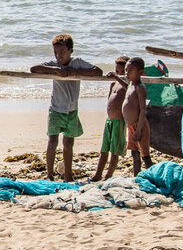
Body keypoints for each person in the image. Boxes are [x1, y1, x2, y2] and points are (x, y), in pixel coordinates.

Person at [30, 33, 102, 182]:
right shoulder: (53, 64)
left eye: (62, 52)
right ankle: (49, 174)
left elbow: (98, 72)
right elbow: (34, 69)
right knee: (53, 142)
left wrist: (74, 72)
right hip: (56, 109)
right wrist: (55, 70)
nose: (58, 56)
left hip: (72, 110)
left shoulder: (77, 63)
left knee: (68, 143)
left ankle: (68, 175)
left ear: (70, 51)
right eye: (56, 52)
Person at [91, 56, 129, 182]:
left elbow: (128, 87)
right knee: (104, 149)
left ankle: (109, 175)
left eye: (122, 72)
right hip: (109, 121)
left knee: (114, 150)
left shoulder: (126, 84)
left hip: (119, 121)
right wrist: (115, 79)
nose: (119, 74)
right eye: (117, 71)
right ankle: (98, 173)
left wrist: (117, 77)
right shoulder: (114, 84)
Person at [120, 57, 152, 176]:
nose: (126, 73)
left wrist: (138, 130)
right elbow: (125, 86)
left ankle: (153, 176)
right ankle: (136, 176)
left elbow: (143, 110)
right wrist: (115, 77)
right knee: (134, 153)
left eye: (130, 70)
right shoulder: (131, 85)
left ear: (140, 72)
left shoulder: (140, 87)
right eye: (126, 70)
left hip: (140, 126)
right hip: (131, 126)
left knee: (145, 155)